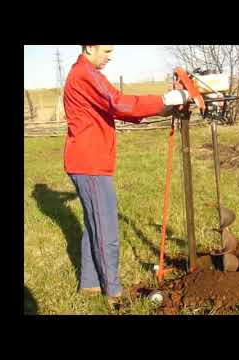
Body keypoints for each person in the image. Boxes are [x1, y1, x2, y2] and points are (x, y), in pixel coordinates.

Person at [63, 45, 189, 307]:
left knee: (93, 224)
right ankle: (114, 293)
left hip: (85, 161)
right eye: (106, 50)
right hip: (90, 163)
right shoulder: (84, 75)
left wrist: (161, 109)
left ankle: (89, 284)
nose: (110, 56)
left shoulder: (86, 73)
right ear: (89, 48)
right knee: (105, 226)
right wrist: (165, 99)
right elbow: (118, 102)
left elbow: (112, 106)